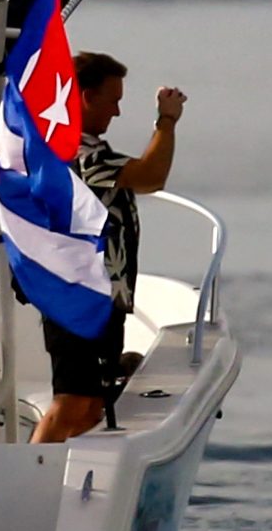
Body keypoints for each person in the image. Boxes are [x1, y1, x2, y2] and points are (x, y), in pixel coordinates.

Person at [34, 51, 187, 442]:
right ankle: (32, 471)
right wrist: (166, 121)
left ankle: (64, 480)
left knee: (91, 403)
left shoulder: (79, 145)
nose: (117, 112)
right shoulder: (77, 150)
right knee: (71, 400)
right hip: (77, 294)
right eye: (113, 100)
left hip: (101, 296)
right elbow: (151, 176)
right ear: (85, 97)